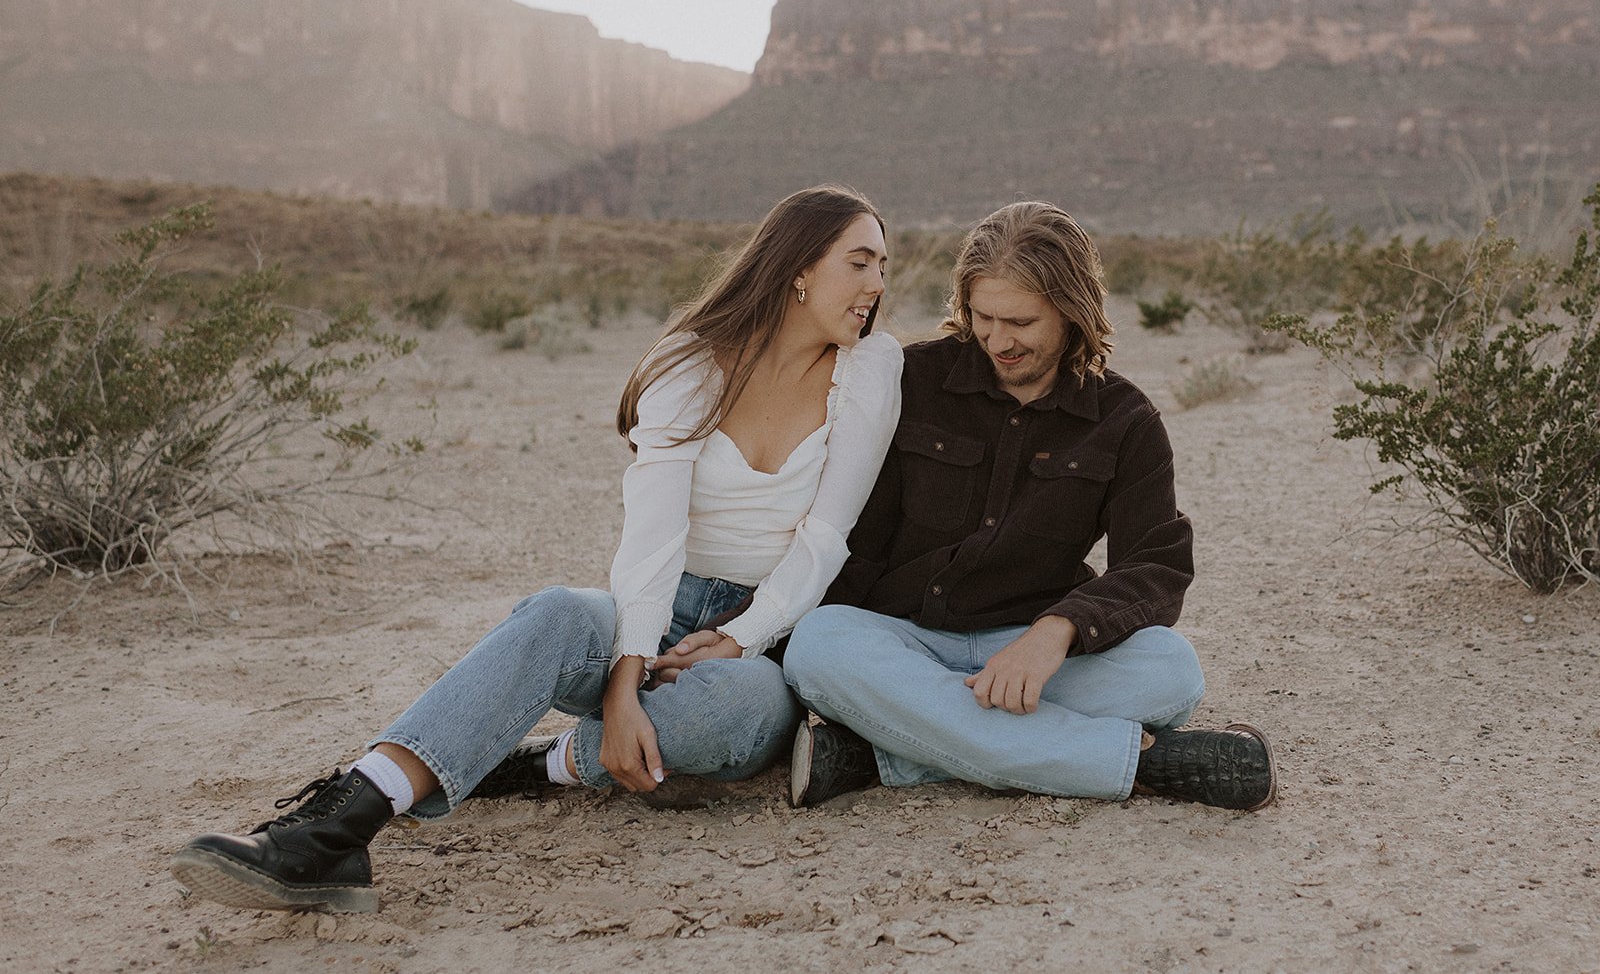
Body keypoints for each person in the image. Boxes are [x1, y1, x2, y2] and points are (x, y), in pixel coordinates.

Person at [171, 184, 902, 913]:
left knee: (732, 711)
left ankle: (538, 761)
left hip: (760, 641)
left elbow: (824, 540)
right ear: (799, 268)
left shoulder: (870, 371)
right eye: (860, 263)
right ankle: (341, 825)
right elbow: (652, 537)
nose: (877, 285)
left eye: (882, 266)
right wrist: (625, 680)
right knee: (555, 613)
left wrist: (740, 637)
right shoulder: (693, 361)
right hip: (655, 608)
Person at [782, 201, 1276, 812]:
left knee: (1171, 672)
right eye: (982, 317)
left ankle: (888, 753)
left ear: (1071, 312)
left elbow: (1157, 565)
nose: (997, 339)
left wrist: (1056, 631)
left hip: (1036, 655)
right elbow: (852, 534)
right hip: (908, 638)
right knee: (820, 646)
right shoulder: (910, 381)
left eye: (1020, 321)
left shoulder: (1125, 420)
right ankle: (1138, 764)